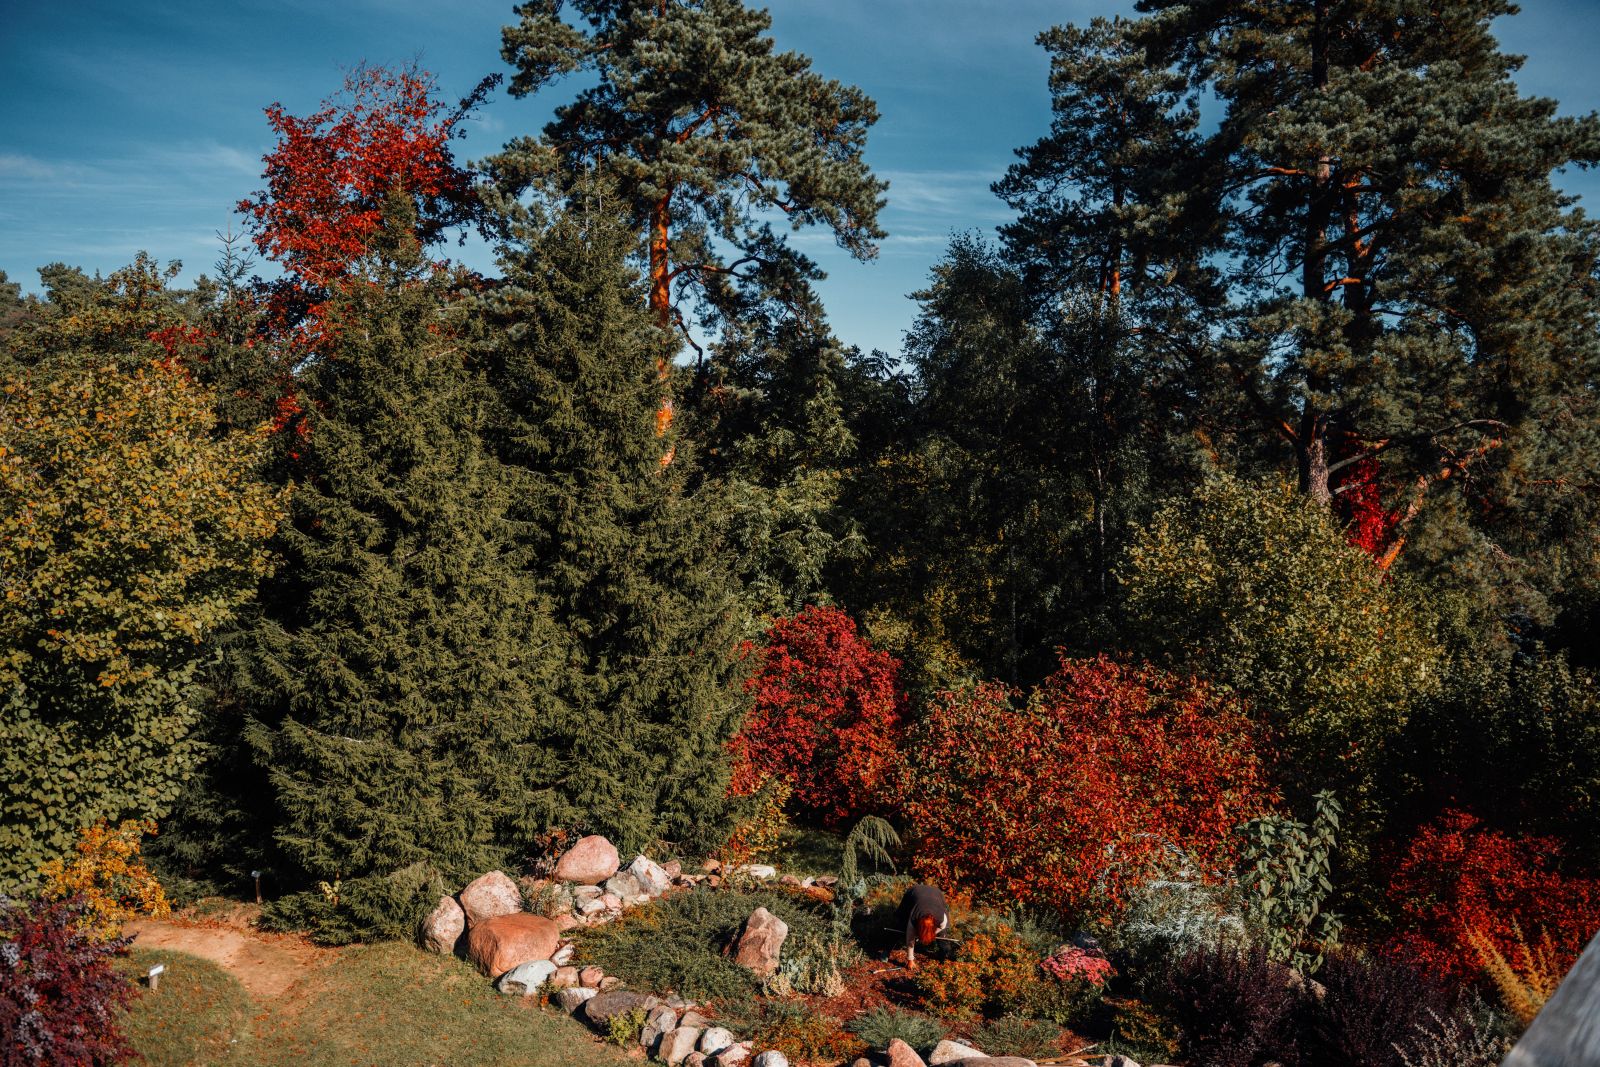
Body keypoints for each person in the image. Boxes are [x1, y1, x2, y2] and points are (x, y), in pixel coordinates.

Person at [894, 882, 950, 969]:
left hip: (936, 894)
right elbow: (910, 940)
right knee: (899, 923)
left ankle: (943, 958)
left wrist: (932, 934)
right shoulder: (914, 917)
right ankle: (886, 950)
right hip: (914, 892)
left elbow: (942, 927)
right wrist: (910, 960)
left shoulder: (941, 919)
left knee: (943, 936)